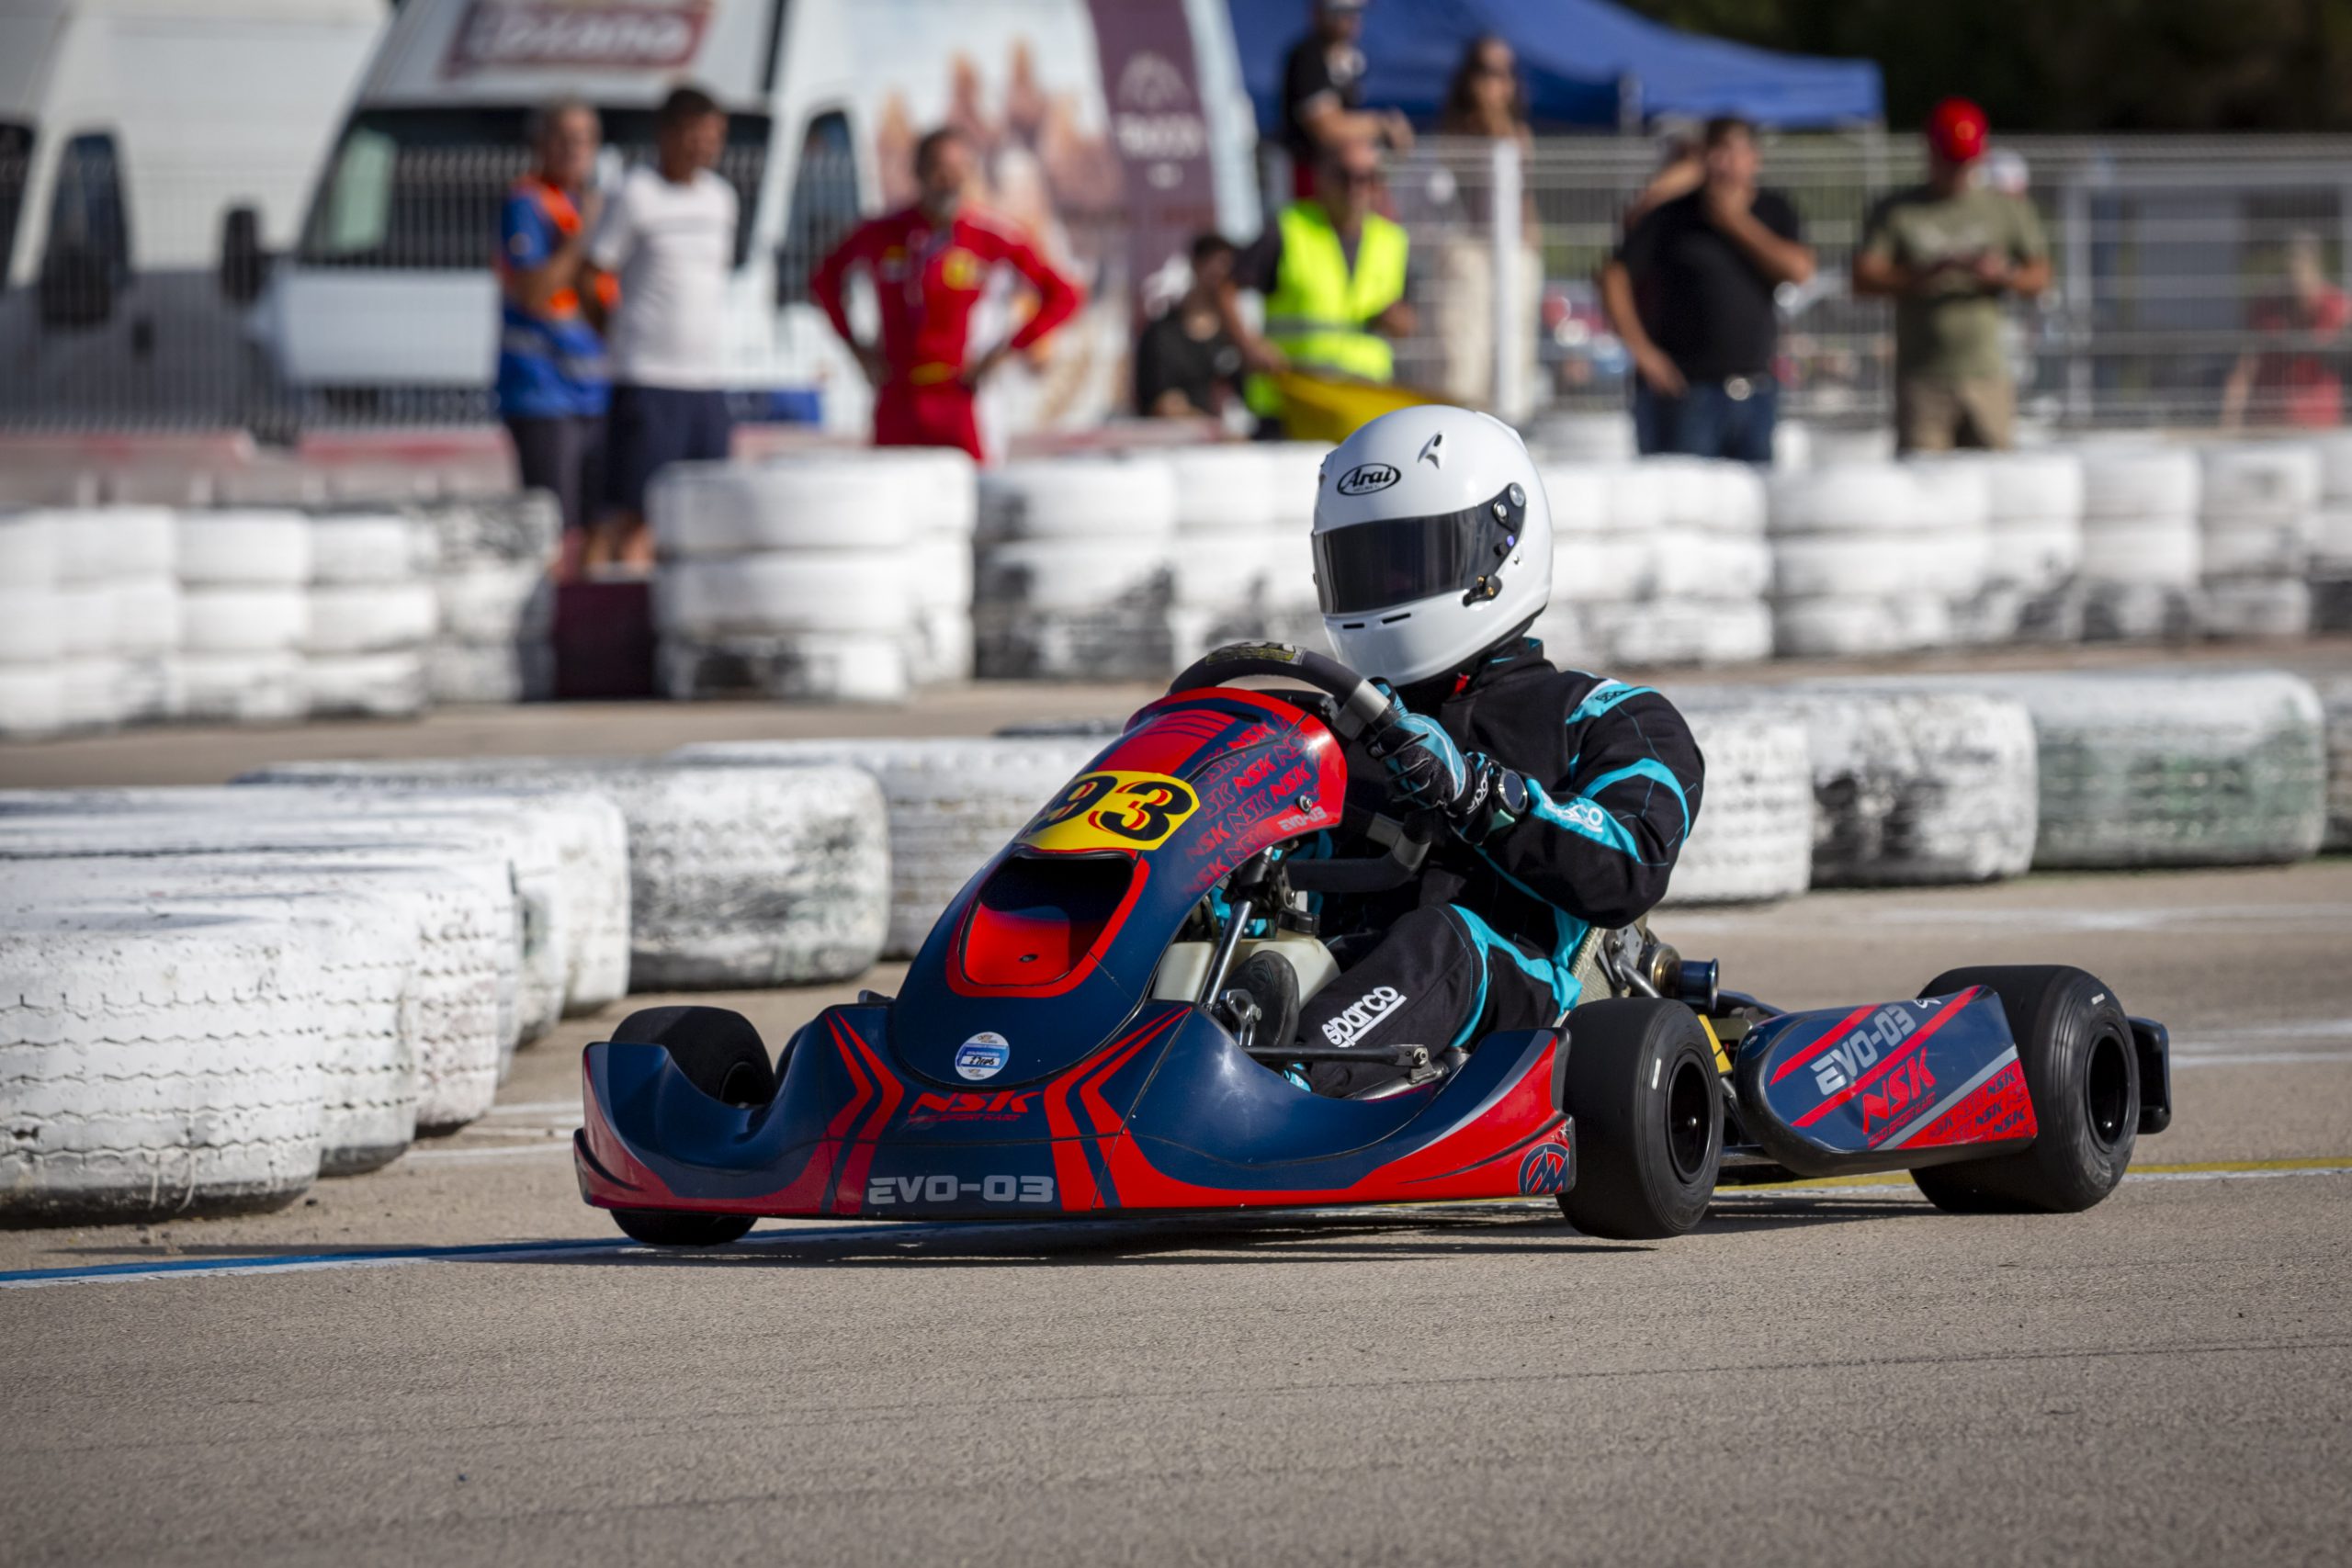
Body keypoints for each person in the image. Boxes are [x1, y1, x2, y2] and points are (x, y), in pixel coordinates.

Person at [1227, 404, 1705, 1099]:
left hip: (1527, 997)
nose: (1385, 586)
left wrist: (1477, 794)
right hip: (1350, 983)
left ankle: (1278, 1091)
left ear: (1500, 547)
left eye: (1409, 562)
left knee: (1446, 940)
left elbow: (1632, 862)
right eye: (1363, 566)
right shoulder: (1330, 733)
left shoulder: (1605, 715)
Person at [811, 126, 1083, 463]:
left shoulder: (992, 237)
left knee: (974, 490)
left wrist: (1006, 351)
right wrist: (856, 348)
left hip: (963, 396)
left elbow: (1064, 295)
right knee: (890, 489)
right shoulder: (883, 232)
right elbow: (824, 280)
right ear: (918, 172)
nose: (949, 181)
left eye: (959, 171)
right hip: (898, 395)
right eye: (939, 170)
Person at [1600, 116, 1814, 464]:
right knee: (1686, 491)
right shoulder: (1673, 214)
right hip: (1688, 391)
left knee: (1753, 492)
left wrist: (1737, 222)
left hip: (1756, 390)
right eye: (1714, 151)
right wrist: (1643, 353)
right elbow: (1614, 276)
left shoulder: (1773, 209)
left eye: (1732, 151)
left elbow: (1799, 270)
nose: (1722, 162)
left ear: (1754, 159)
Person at [586, 85, 739, 570]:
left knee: (707, 509)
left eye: (714, 136)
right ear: (667, 133)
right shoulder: (636, 193)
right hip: (648, 377)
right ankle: (615, 599)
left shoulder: (721, 199)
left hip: (705, 381)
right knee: (636, 514)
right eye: (696, 135)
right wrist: (614, 335)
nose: (706, 147)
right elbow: (593, 275)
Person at [1852, 96, 2051, 454]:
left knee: (1993, 474)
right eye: (1950, 162)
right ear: (1930, 153)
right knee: (1925, 478)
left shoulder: (2005, 209)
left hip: (1987, 375)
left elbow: (2041, 277)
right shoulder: (1898, 211)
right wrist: (1920, 275)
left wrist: (2003, 274)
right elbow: (1863, 279)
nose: (1958, 172)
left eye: (1966, 163)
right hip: (1923, 379)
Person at [1229, 138, 1417, 429]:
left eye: (1367, 178)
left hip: (1361, 404)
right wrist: (1248, 344)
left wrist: (1398, 322)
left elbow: (1407, 320)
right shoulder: (1289, 227)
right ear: (1321, 178)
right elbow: (1227, 285)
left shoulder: (1392, 241)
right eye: (1344, 176)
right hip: (1292, 403)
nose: (1355, 188)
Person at [495, 98, 613, 562]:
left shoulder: (585, 204)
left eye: (583, 139)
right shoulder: (527, 203)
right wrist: (583, 237)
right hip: (542, 392)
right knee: (553, 529)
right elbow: (533, 291)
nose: (574, 149)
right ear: (540, 144)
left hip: (592, 392)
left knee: (597, 526)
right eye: (563, 138)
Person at [1430, 35, 1542, 415]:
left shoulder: (1519, 132)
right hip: (1470, 254)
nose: (1497, 81)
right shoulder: (1456, 132)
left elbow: (1521, 186)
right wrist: (1488, 109)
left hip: (1513, 255)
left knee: (1513, 364)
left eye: (1505, 72)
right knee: (1464, 362)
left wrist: (1531, 244)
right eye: (1487, 71)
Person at [1279, 0, 1412, 198]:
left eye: (1357, 11)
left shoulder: (1350, 58)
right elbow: (1326, 128)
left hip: (1344, 177)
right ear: (1320, 14)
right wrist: (1382, 125)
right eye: (1343, 12)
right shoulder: (1308, 56)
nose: (1352, 19)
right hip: (1313, 180)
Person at [2222, 231, 2350, 431]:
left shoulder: (2337, 307)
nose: (2295, 277)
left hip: (2318, 425)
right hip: (2268, 422)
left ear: (2316, 268)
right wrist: (2230, 419)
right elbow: (2246, 366)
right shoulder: (2266, 307)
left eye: (2301, 267)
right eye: (2289, 268)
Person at [1135, 233, 1246, 420]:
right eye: (1215, 270)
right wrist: (1209, 426)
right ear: (1195, 266)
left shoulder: (1236, 337)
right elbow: (1160, 402)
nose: (1221, 278)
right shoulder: (1161, 334)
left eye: (1229, 273)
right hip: (1179, 436)